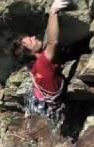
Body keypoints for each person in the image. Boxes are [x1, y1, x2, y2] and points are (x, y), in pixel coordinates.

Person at [12, 0, 69, 130]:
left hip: (46, 91)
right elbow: (52, 42)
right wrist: (53, 12)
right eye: (31, 40)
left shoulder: (34, 65)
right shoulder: (42, 63)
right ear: (31, 52)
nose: (33, 36)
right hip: (56, 94)